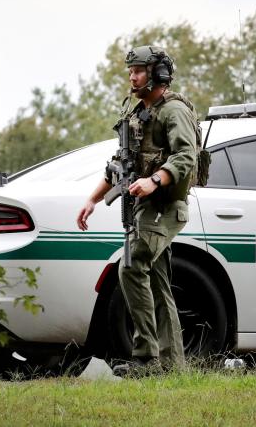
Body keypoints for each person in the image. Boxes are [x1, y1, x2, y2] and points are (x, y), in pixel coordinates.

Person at [76, 45, 199, 377]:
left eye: (139, 70)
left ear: (157, 73)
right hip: (143, 207)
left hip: (165, 207)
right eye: (131, 70)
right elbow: (119, 164)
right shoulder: (137, 113)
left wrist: (154, 180)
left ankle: (146, 359)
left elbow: (187, 156)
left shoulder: (173, 111)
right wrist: (93, 199)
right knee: (158, 283)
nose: (132, 76)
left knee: (131, 267)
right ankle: (172, 367)